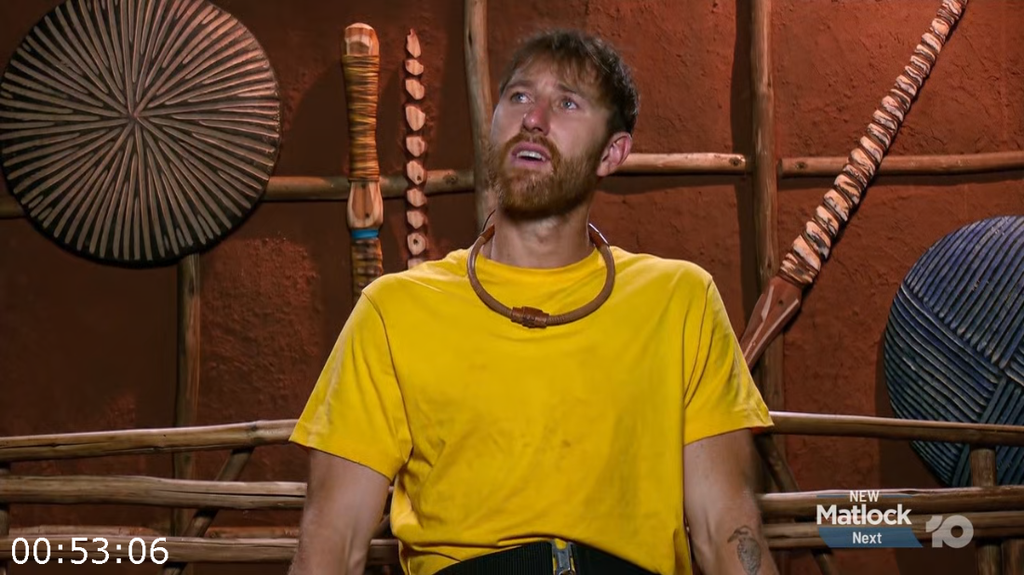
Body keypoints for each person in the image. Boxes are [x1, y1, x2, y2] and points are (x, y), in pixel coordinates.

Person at [287, 28, 777, 575]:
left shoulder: (680, 301)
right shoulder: (395, 310)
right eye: (519, 96)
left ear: (612, 153)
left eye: (567, 103)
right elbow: (332, 539)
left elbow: (726, 528)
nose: (534, 120)